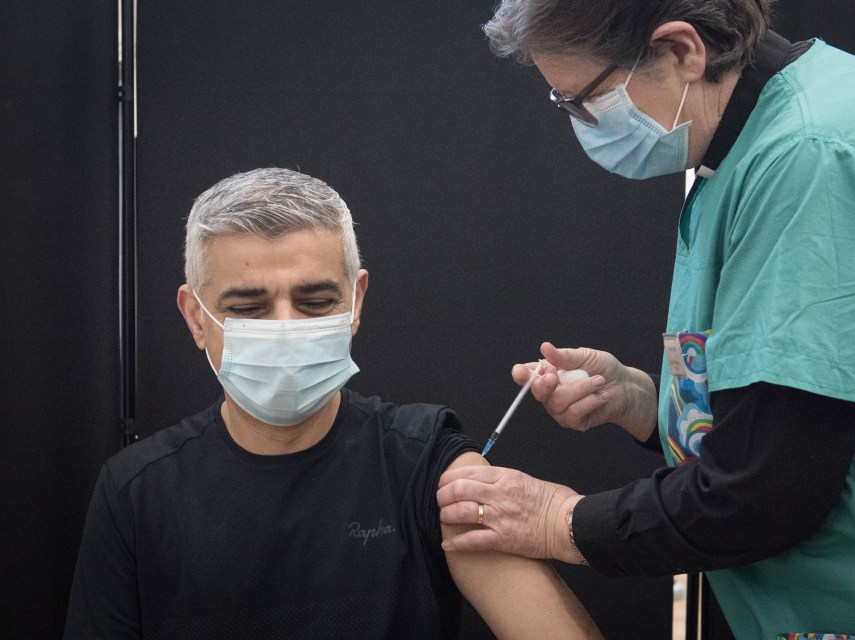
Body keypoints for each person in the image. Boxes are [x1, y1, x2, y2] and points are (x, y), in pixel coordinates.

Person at [437, 1, 855, 639]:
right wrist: (644, 404)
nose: (579, 122)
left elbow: (768, 488)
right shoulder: (746, 145)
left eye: (582, 101)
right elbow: (802, 402)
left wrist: (560, 519)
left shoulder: (815, 160)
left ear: (683, 51)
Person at [64, 168, 602, 639]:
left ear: (356, 302)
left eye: (316, 302)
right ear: (195, 318)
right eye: (248, 307)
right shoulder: (136, 493)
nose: (285, 327)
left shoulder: (427, 465)